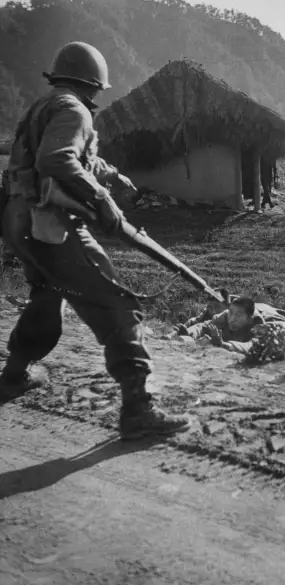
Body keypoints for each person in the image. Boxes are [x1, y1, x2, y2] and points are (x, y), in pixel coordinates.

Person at [0, 41, 191, 440]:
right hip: (51, 222)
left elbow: (70, 155)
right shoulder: (75, 110)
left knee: (48, 294)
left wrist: (110, 175)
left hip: (20, 220)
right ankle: (138, 408)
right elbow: (56, 159)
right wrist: (102, 198)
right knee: (118, 304)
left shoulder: (45, 106)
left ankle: (14, 375)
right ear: (93, 84)